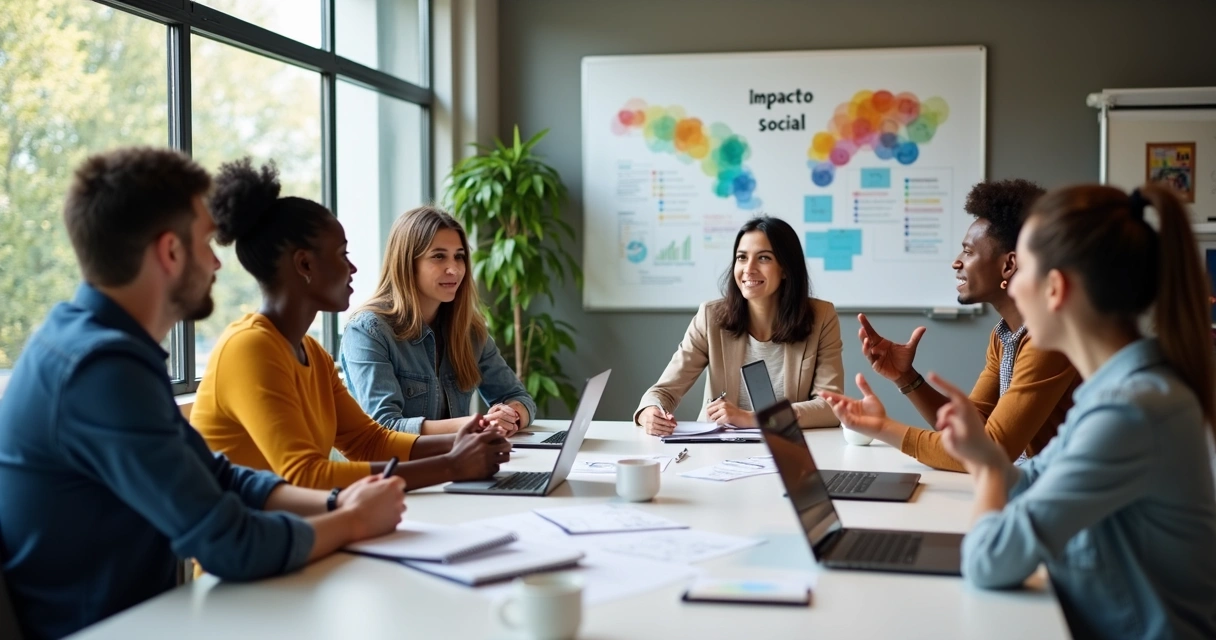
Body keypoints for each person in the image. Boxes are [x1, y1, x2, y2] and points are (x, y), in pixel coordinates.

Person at [0, 148, 407, 640]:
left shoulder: (99, 346)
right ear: (170, 252)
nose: (216, 262)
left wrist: (337, 504)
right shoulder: (100, 370)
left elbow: (216, 475)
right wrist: (353, 520)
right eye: (206, 243)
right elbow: (230, 543)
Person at [835, 184, 1216, 638]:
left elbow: (988, 560)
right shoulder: (1112, 395)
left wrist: (987, 466)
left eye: (1025, 271)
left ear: (1054, 289)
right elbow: (1030, 477)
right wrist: (986, 458)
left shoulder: (1129, 412)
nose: (1015, 287)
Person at [191, 159, 509, 491]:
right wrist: (452, 465)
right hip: (234, 523)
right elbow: (305, 476)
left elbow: (368, 441)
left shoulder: (312, 353)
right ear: (305, 264)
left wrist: (466, 440)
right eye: (342, 254)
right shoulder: (250, 347)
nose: (352, 268)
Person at [841, 180, 1077, 471]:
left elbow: (991, 448)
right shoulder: (1003, 335)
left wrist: (881, 427)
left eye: (968, 251)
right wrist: (906, 377)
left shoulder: (1047, 339)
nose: (956, 262)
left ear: (1008, 265)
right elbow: (972, 424)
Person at [635, 216, 844, 435]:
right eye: (742, 257)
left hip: (789, 447)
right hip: (717, 448)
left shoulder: (821, 317)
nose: (749, 268)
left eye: (763, 258)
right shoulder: (710, 317)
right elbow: (663, 391)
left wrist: (752, 418)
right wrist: (650, 412)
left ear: (785, 268)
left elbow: (830, 407)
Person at [340, 206, 536, 437]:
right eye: (438, 256)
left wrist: (509, 416)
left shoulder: (469, 330)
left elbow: (519, 397)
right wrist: (478, 424)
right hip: (398, 461)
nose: (454, 269)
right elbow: (385, 427)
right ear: (407, 263)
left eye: (459, 256)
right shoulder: (367, 331)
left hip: (457, 457)